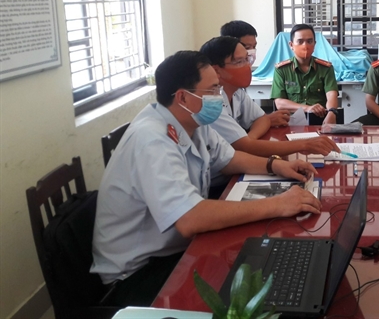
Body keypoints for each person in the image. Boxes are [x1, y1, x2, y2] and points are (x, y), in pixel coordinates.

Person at [91, 51, 321, 307]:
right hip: (139, 274)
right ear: (182, 97)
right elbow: (190, 220)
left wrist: (277, 165)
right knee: (255, 289)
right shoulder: (152, 140)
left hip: (176, 249)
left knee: (261, 263)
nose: (218, 98)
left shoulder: (191, 121)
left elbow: (230, 158)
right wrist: (278, 204)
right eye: (212, 90)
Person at [200, 35, 340, 157]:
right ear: (216, 70)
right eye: (240, 62)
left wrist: (250, 138)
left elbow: (262, 119)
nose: (248, 66)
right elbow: (244, 146)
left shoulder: (238, 92)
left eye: (247, 59)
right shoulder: (211, 103)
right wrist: (304, 144)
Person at [220, 20, 290, 127]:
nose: (251, 53)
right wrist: (266, 121)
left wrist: (265, 121)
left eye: (254, 47)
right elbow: (239, 137)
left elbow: (259, 119)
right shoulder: (215, 96)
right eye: (247, 47)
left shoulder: (238, 91)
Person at [271, 24, 339, 125]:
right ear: (291, 45)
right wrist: (307, 108)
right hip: (291, 122)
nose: (305, 45)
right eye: (300, 41)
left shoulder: (325, 68)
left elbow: (331, 95)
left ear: (314, 44)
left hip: (320, 121)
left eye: (309, 41)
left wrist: (332, 112)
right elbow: (279, 103)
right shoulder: (281, 70)